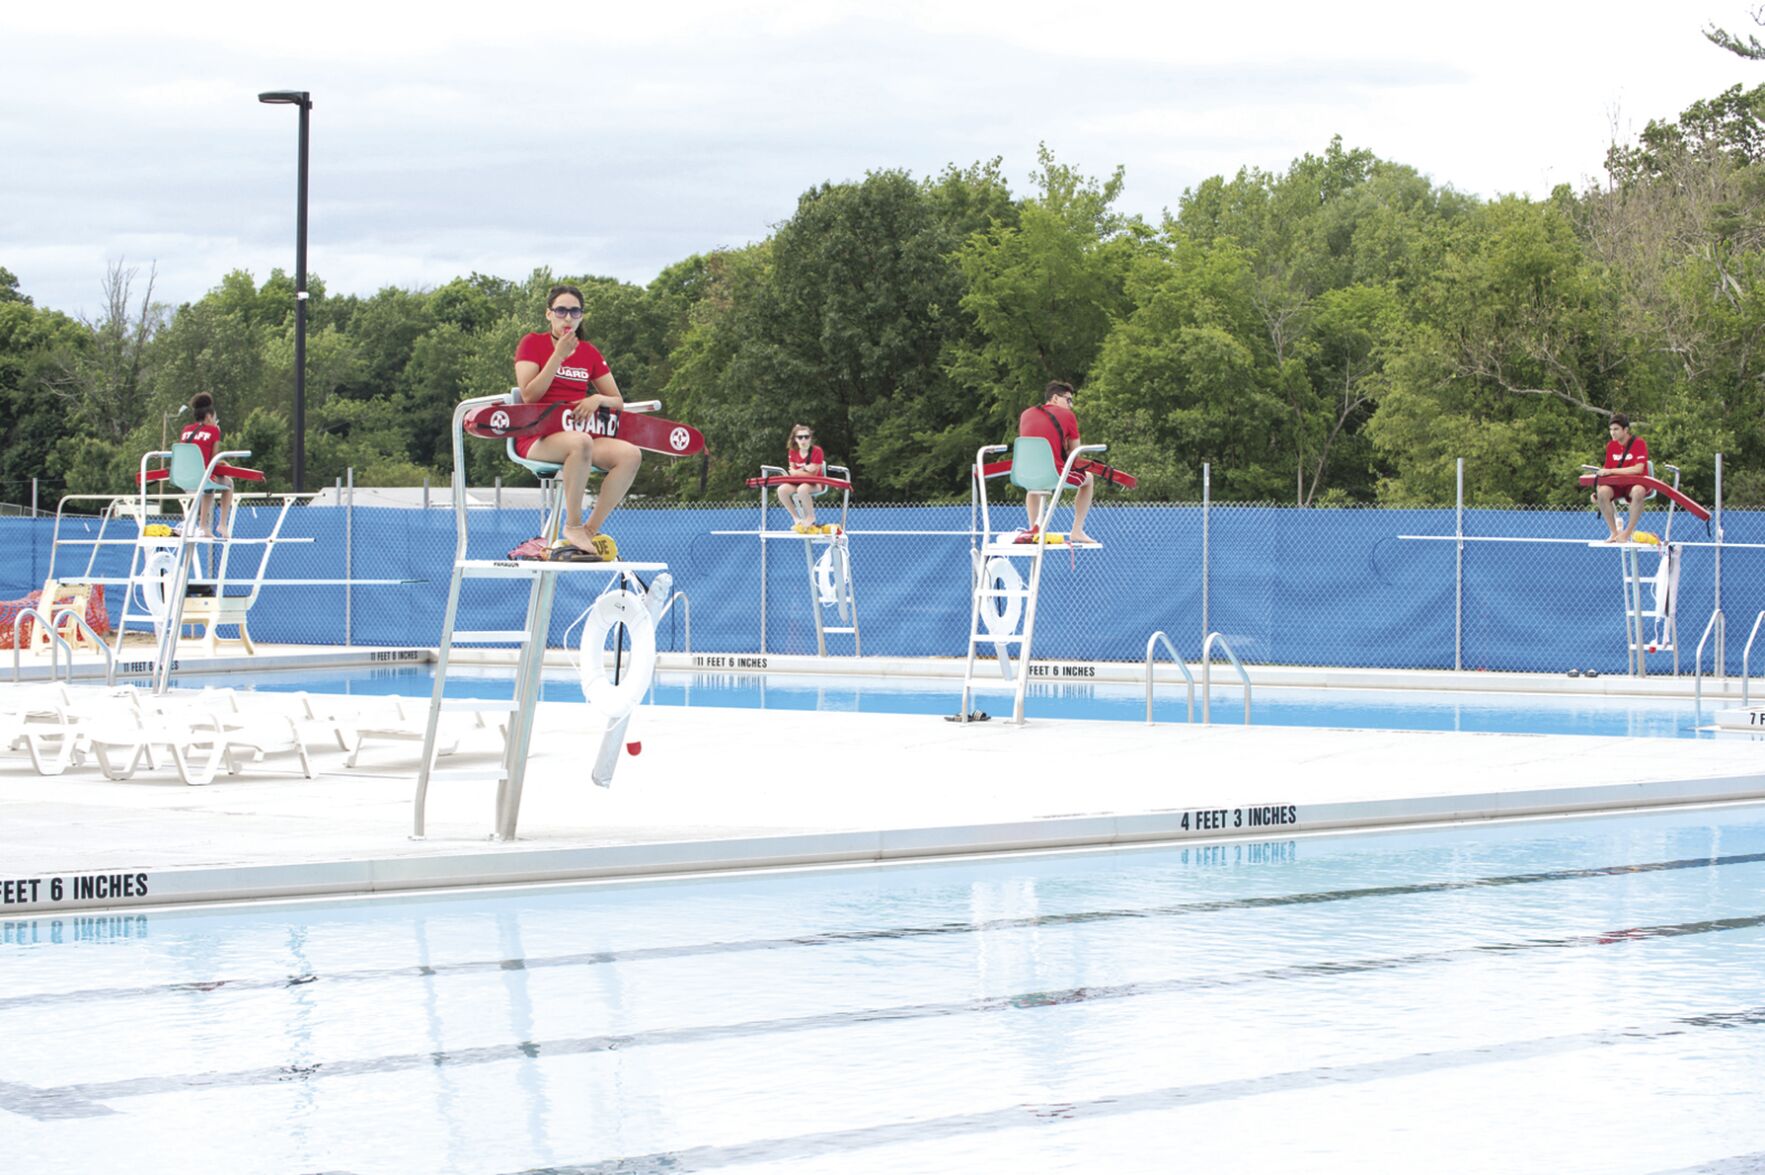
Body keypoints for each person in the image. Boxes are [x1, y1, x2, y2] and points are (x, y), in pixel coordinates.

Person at [512, 284, 643, 557]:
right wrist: (558, 355)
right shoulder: (532, 343)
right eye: (561, 311)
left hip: (580, 433)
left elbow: (617, 401)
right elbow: (529, 394)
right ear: (549, 314)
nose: (568, 318)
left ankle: (589, 531)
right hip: (538, 436)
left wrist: (597, 400)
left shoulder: (589, 352)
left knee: (630, 454)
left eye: (574, 311)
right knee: (580, 442)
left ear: (582, 316)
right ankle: (571, 525)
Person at [1016, 380, 1098, 546]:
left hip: (1024, 474)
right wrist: (1067, 449)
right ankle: (1077, 530)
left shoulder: (1026, 414)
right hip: (1054, 473)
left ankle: (1034, 530)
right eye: (1068, 400)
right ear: (1054, 398)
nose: (1071, 405)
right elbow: (1076, 456)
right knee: (1088, 479)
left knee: (1034, 487)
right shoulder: (1068, 416)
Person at [179, 392, 233, 539]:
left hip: (183, 478)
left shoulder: (186, 430)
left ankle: (204, 527)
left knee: (209, 485)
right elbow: (213, 460)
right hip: (201, 478)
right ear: (209, 416)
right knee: (228, 483)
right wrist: (224, 464)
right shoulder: (214, 431)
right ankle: (222, 524)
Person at [1593, 413, 1650, 543]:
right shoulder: (1611, 446)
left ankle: (1627, 533)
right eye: (1611, 429)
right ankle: (1614, 532)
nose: (1612, 433)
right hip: (1616, 486)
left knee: (1638, 491)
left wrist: (1611, 470)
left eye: (1616, 429)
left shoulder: (1639, 443)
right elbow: (1604, 472)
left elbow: (1638, 469)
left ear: (1625, 430)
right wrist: (1596, 492)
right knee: (1602, 492)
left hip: (1635, 484)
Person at [777, 424, 825, 531]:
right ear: (795, 439)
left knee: (802, 489)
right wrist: (805, 469)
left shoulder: (817, 451)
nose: (803, 440)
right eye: (800, 437)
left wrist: (797, 472)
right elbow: (792, 473)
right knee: (781, 490)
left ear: (810, 438)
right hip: (797, 483)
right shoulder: (793, 451)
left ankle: (811, 517)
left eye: (806, 437)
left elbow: (813, 475)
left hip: (816, 483)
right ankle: (796, 518)